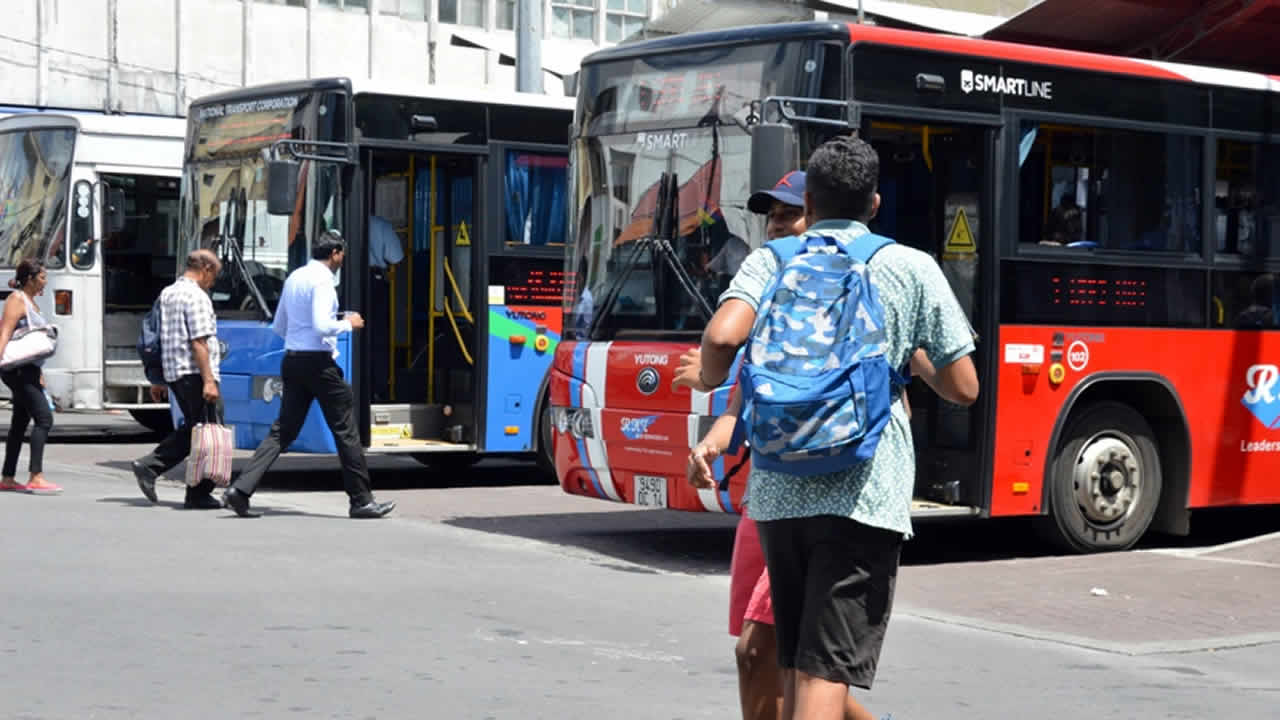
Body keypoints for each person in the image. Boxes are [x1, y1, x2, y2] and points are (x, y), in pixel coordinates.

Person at [680, 136, 978, 720]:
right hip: (864, 494)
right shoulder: (908, 266)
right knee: (825, 672)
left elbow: (720, 337)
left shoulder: (772, 260)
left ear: (809, 203)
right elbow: (964, 387)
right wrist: (905, 356)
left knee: (794, 660)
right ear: (873, 205)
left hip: (779, 489)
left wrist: (710, 377)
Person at [223, 229, 395, 520]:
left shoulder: (295, 277)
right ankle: (361, 500)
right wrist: (348, 323)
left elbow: (279, 326)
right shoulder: (324, 281)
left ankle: (240, 490)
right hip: (319, 364)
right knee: (345, 430)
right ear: (335, 254)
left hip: (293, 361)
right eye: (342, 254)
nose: (342, 259)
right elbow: (321, 325)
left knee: (283, 431)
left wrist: (306, 334)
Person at [131, 249, 226, 509]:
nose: (213, 282)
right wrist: (208, 380)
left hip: (175, 373)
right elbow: (199, 342)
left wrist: (158, 379)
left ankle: (191, 490)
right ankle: (156, 470)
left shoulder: (168, 293)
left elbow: (155, 339)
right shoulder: (196, 296)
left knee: (195, 430)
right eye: (213, 276)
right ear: (205, 268)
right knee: (208, 430)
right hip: (195, 373)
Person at [0, 259, 60, 495]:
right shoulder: (17, 300)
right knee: (44, 419)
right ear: (31, 278)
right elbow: (5, 330)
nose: (46, 281)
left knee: (19, 423)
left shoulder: (32, 303)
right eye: (43, 277)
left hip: (29, 369)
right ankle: (36, 475)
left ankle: (7, 477)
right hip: (17, 370)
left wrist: (40, 373)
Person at [367, 214, 405, 402]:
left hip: (347, 283)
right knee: (378, 338)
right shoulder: (381, 225)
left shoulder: (340, 221)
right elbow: (396, 257)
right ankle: (377, 388)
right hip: (375, 283)